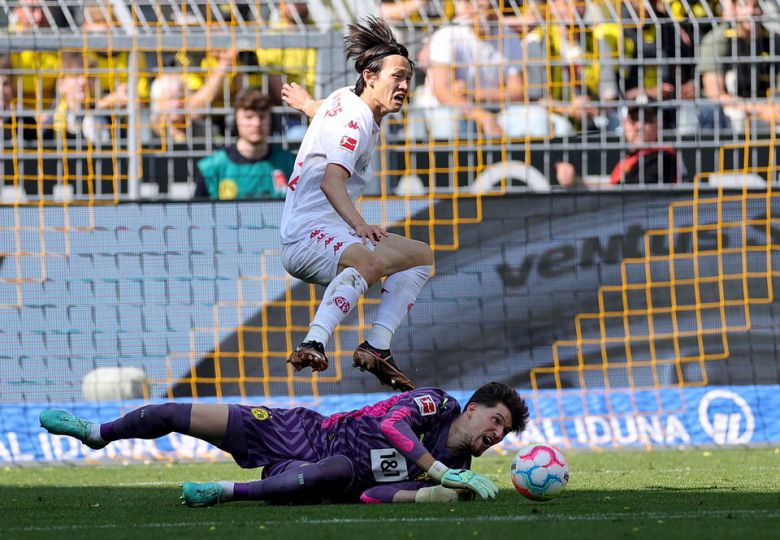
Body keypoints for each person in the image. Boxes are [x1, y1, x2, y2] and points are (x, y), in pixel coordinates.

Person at [39, 381, 529, 505]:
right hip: (301, 431)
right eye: (497, 420)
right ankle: (97, 434)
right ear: (472, 408)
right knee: (176, 412)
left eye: (505, 432)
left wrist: (427, 493)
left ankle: (221, 493)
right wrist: (438, 473)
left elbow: (370, 494)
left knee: (335, 474)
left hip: (325, 472)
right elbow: (391, 427)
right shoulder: (436, 403)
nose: (498, 434)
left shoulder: (457, 467)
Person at [278, 17, 434, 392]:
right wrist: (361, 225)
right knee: (366, 259)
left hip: (328, 229)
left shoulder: (344, 100)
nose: (404, 86)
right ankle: (313, 342)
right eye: (397, 76)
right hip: (305, 235)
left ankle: (377, 346)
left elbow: (326, 112)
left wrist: (305, 104)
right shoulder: (357, 120)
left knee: (421, 256)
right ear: (369, 75)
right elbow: (333, 181)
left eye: (408, 79)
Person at [194, 88, 294, 200]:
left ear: (272, 120)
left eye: (262, 117)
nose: (256, 123)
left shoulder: (291, 164)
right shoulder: (211, 168)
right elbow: (199, 215)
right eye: (249, 117)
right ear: (235, 120)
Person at [697, 0, 780, 132]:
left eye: (756, 6)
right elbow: (714, 93)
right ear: (734, 9)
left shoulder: (774, 40)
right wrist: (759, 108)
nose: (751, 12)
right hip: (730, 110)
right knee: (711, 110)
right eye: (744, 5)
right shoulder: (718, 39)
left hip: (769, 108)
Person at [556, 102, 681, 187]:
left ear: (659, 124)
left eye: (646, 119)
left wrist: (579, 183)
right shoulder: (632, 158)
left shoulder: (662, 156)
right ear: (625, 124)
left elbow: (628, 196)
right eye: (634, 119)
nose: (639, 126)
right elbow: (615, 189)